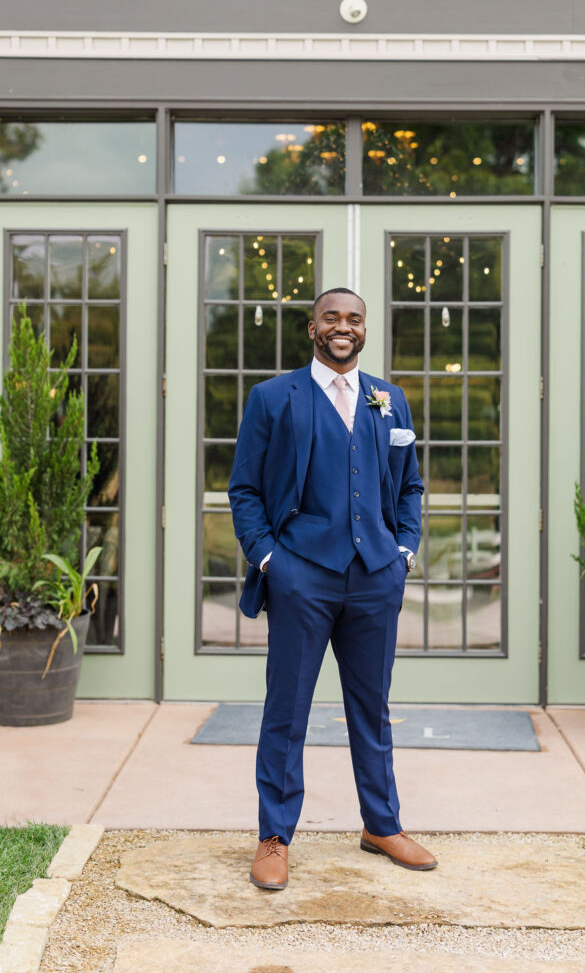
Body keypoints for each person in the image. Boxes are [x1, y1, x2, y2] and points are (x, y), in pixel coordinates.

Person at [228, 287, 437, 891]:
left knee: (371, 709)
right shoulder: (272, 398)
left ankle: (382, 824)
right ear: (312, 327)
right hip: (301, 575)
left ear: (364, 329)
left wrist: (402, 551)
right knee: (286, 710)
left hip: (375, 576)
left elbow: (410, 487)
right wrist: (270, 560)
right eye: (331, 317)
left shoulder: (389, 398)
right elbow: (243, 490)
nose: (342, 327)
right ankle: (274, 835)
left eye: (354, 318)